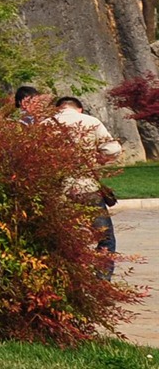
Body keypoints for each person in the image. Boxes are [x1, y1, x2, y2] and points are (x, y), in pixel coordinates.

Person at [51, 96, 122, 276]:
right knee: (104, 238)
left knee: (61, 239)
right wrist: (100, 157)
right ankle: (102, 281)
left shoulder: (46, 124)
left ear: (57, 109)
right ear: (80, 109)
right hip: (87, 188)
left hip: (57, 191)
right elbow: (113, 149)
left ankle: (66, 282)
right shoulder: (91, 121)